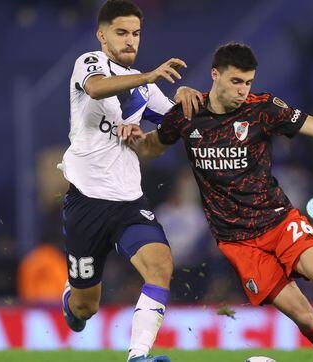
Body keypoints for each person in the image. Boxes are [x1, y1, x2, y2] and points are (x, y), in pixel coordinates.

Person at [121, 43, 313, 362]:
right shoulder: (187, 114)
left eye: (248, 82)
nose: (243, 90)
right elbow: (153, 147)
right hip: (238, 242)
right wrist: (133, 138)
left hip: (278, 220)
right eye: (236, 81)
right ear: (215, 75)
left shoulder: (261, 109)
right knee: (305, 317)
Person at [56, 1, 202, 361]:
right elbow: (95, 89)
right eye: (121, 32)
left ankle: (138, 355)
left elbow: (170, 135)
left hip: (129, 204)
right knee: (86, 307)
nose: (130, 40)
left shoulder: (147, 92)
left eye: (135, 33)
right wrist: (150, 76)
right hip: (86, 204)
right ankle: (72, 302)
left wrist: (186, 102)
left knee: (161, 266)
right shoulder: (89, 64)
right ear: (101, 34)